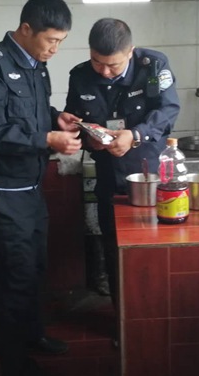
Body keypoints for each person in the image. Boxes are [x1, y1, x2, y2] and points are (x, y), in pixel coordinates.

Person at [0, 0, 82, 376]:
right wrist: (47, 139)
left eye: (61, 42)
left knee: (33, 268)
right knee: (11, 278)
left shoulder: (36, 65)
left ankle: (32, 336)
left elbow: (30, 114)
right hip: (2, 192)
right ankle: (15, 368)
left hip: (30, 187)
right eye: (51, 40)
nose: (55, 49)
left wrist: (55, 118)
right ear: (26, 28)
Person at [64, 18, 180, 309]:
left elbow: (168, 109)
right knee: (113, 245)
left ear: (130, 52)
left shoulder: (152, 66)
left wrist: (135, 134)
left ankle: (152, 312)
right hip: (108, 176)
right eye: (97, 62)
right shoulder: (80, 76)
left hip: (149, 177)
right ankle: (120, 315)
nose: (104, 71)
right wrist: (87, 137)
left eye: (112, 65)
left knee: (151, 247)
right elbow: (74, 119)